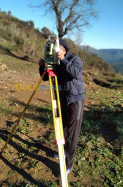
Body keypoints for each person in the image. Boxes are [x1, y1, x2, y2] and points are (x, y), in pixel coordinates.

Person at [39, 39, 86, 175]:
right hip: (61, 99)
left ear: (63, 50)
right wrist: (42, 67)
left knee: (72, 134)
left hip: (75, 100)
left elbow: (76, 73)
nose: (54, 53)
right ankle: (63, 152)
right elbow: (45, 78)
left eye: (57, 50)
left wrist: (64, 60)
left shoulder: (74, 59)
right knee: (62, 129)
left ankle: (68, 165)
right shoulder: (55, 62)